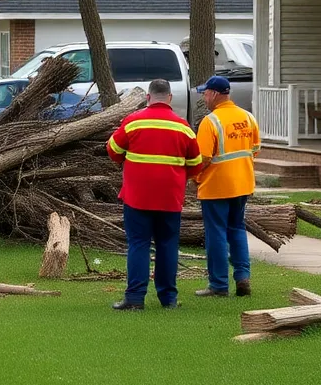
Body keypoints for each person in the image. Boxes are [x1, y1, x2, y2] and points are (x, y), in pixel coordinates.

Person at [105, 79, 203, 310]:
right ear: (169, 98)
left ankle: (135, 299)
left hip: (137, 197)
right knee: (167, 245)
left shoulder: (133, 122)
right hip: (170, 197)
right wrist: (178, 176)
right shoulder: (183, 127)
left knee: (138, 244)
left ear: (148, 97)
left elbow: (113, 150)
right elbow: (197, 164)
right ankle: (168, 299)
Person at [193, 75, 261, 298]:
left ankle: (218, 285)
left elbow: (202, 158)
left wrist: (194, 177)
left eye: (205, 93)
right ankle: (243, 277)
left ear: (213, 94)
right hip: (242, 184)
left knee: (216, 235)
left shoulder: (210, 122)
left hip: (216, 187)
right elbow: (255, 149)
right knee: (237, 230)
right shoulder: (248, 117)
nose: (204, 97)